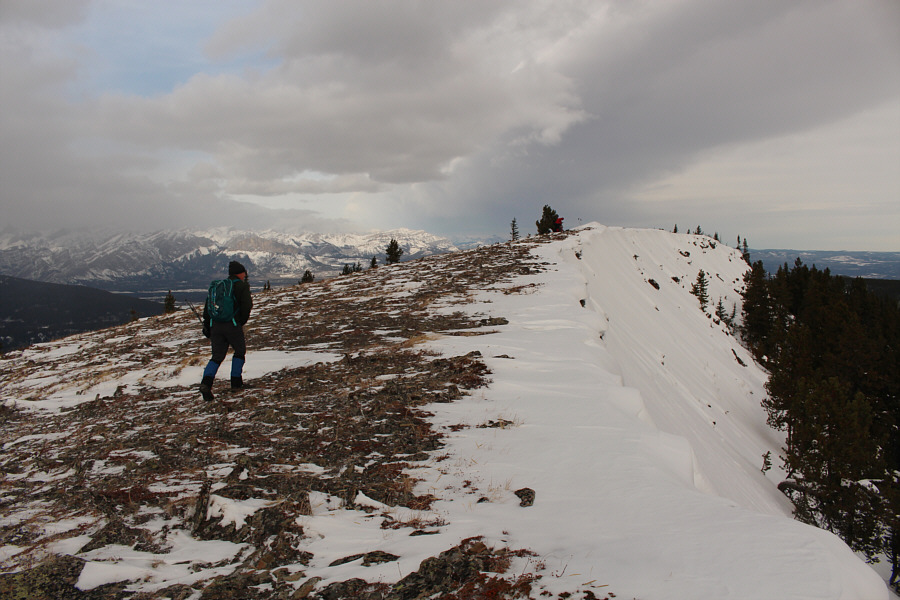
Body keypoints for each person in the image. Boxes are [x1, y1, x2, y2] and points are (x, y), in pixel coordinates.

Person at [199, 261, 253, 401]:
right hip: (232, 324)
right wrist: (240, 321)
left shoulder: (219, 286)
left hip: (215, 325)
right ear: (239, 273)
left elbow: (208, 306)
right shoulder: (241, 286)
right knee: (239, 351)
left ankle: (206, 384)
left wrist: (207, 324)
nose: (245, 275)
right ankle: (236, 382)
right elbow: (246, 305)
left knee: (217, 356)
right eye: (243, 272)